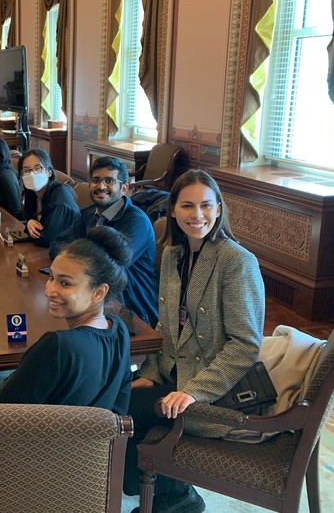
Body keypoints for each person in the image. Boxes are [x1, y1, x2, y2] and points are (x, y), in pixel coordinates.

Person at [124, 169, 265, 513]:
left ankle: (178, 500)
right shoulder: (173, 255)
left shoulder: (237, 262)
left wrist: (193, 392)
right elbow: (168, 323)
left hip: (214, 394)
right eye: (187, 205)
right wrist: (153, 371)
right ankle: (153, 491)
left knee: (122, 409)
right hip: (172, 375)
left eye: (205, 205)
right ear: (172, 209)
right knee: (116, 392)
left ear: (218, 209)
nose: (196, 215)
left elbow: (244, 345)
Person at [0, 227, 132, 412]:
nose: (48, 291)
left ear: (99, 292)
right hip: (93, 441)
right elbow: (120, 407)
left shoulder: (59, 346)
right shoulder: (119, 329)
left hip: (36, 440)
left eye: (65, 283)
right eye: (51, 277)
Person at [50, 156, 159, 326]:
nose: (101, 186)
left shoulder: (137, 222)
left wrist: (75, 256)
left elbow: (106, 268)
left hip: (132, 311)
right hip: (93, 298)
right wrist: (79, 256)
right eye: (96, 180)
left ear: (124, 188)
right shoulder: (88, 214)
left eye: (109, 181)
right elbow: (57, 243)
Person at [18, 148, 79, 247]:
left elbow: (47, 239)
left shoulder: (60, 196)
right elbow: (29, 221)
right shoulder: (33, 194)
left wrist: (29, 229)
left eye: (38, 168)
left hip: (70, 254)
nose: (32, 174)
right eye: (26, 171)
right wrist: (29, 223)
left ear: (49, 172)